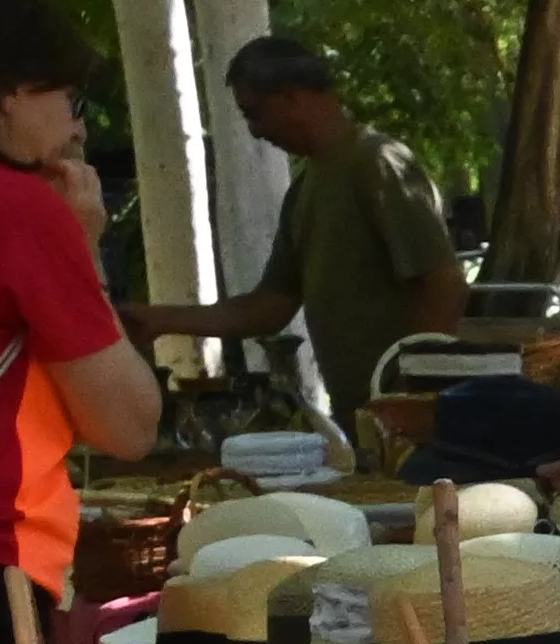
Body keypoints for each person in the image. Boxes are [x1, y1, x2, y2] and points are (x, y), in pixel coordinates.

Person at [0, 0, 160, 644]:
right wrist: (89, 252)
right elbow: (130, 422)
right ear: (13, 93)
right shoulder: (23, 210)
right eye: (68, 97)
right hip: (4, 572)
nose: (74, 123)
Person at [121, 36, 462, 419]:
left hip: (411, 422)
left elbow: (443, 283)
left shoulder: (377, 163)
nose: (255, 131)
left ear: (291, 96)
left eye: (255, 113)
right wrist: (161, 319)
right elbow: (270, 307)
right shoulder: (305, 187)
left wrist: (406, 393)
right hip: (361, 421)